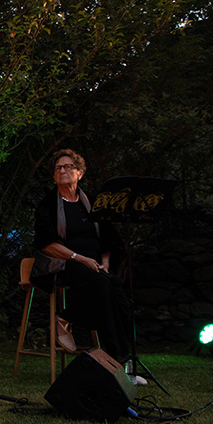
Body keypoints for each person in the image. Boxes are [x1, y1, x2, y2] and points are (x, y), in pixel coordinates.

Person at [30, 149, 144, 384]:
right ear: (54, 176)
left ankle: (123, 361)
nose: (62, 170)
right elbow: (46, 244)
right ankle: (117, 363)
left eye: (68, 166)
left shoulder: (92, 202)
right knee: (102, 285)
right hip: (65, 263)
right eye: (58, 168)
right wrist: (80, 258)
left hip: (95, 266)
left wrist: (104, 264)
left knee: (118, 295)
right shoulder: (48, 205)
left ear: (80, 173)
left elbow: (108, 239)